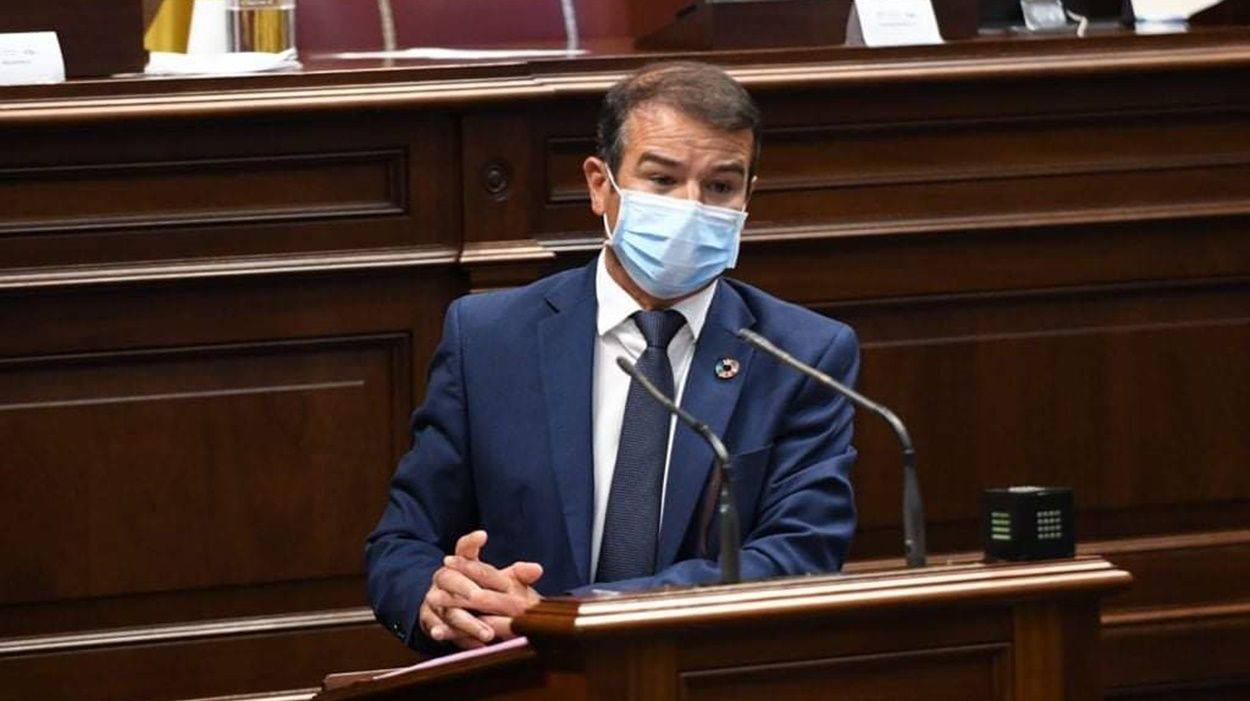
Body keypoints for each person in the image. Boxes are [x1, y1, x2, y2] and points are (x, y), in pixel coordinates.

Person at [365, 61, 859, 655]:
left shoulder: (801, 354)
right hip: (518, 683)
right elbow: (402, 542)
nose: (692, 206)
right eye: (663, 180)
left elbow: (798, 556)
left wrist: (569, 616)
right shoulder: (490, 337)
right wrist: (435, 598)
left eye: (721, 186)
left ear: (749, 196)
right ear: (600, 185)